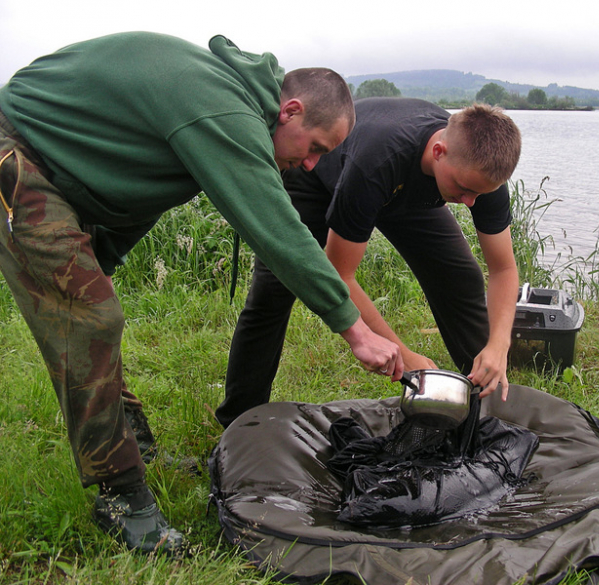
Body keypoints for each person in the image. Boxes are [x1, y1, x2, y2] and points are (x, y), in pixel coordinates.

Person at [0, 32, 401, 555]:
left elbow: (139, 187)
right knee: (90, 319)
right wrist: (355, 330)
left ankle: (135, 449)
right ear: (291, 110)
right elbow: (276, 228)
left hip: (64, 169)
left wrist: (104, 260)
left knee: (92, 311)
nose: (310, 165)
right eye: (315, 148)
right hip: (18, 153)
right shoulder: (224, 111)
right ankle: (122, 500)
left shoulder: (221, 107)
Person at [218, 97, 522, 429]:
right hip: (323, 180)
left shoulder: (481, 173)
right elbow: (340, 275)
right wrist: (407, 359)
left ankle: (484, 402)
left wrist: (499, 345)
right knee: (272, 294)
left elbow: (503, 268)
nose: (469, 203)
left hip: (413, 188)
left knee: (460, 278)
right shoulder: (376, 162)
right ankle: (239, 419)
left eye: (479, 194)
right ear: (438, 152)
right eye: (464, 190)